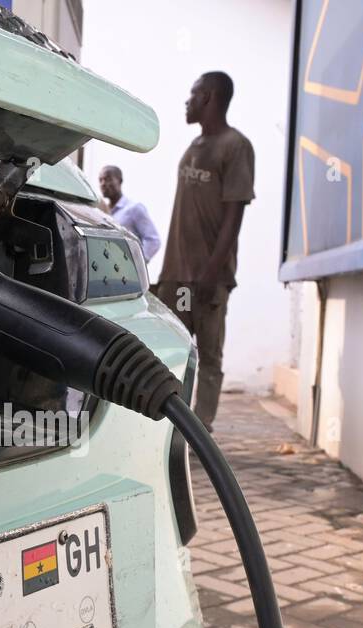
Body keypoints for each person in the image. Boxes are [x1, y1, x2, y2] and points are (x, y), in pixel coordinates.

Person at [154, 71, 256, 431]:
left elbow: (234, 213)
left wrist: (212, 273)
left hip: (208, 281)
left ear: (209, 97)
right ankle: (173, 425)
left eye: (194, 93)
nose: (188, 100)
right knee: (176, 350)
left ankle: (202, 429)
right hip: (178, 280)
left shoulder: (235, 146)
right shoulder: (194, 148)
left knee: (209, 355)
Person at [97, 165, 161, 262]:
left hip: (127, 273)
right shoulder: (100, 212)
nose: (103, 184)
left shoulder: (134, 209)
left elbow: (153, 240)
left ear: (120, 181)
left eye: (108, 179)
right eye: (100, 180)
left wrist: (136, 263)